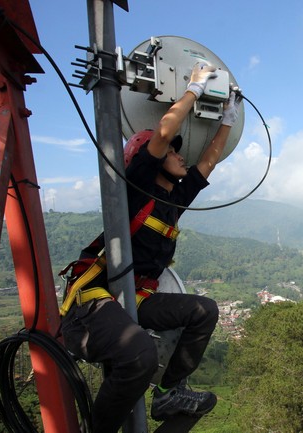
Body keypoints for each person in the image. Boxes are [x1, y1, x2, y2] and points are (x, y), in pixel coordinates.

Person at [59, 62, 240, 433]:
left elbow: (209, 160)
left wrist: (227, 120)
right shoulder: (136, 185)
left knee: (203, 311)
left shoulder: (175, 198)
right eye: (174, 154)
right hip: (94, 301)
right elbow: (162, 133)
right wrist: (193, 90)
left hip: (136, 299)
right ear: (154, 161)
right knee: (138, 352)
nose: (181, 157)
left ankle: (169, 391)